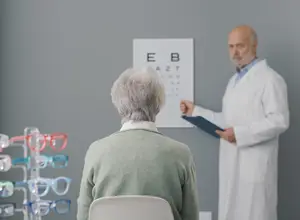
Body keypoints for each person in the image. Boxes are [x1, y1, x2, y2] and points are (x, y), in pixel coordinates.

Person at [180, 25, 289, 220]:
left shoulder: (270, 79)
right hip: (232, 164)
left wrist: (239, 134)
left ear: (254, 46)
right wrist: (195, 111)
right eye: (231, 47)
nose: (235, 52)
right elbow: (228, 121)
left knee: (255, 212)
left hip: (255, 166)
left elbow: (279, 120)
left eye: (241, 46)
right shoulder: (234, 82)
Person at [77, 66, 199, 220]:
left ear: (118, 103)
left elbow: (83, 216)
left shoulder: (96, 151)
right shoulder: (181, 154)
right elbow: (191, 216)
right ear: (158, 104)